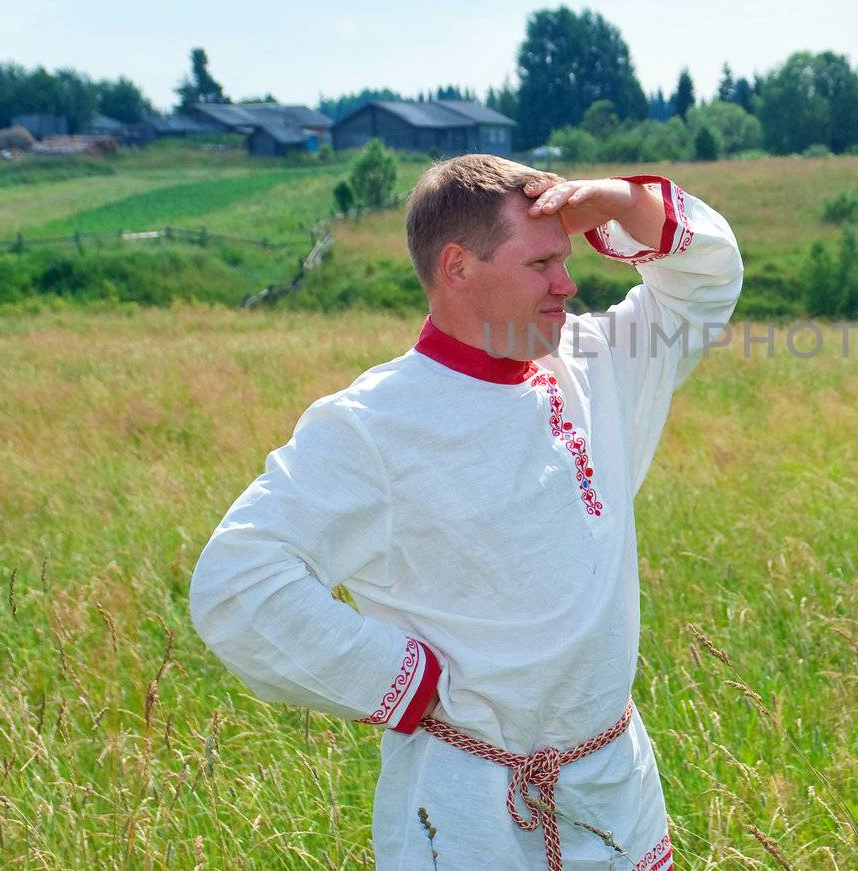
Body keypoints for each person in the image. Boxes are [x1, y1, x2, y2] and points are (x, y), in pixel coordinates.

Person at [188, 154, 742, 870]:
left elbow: (705, 284)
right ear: (458, 268)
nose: (567, 283)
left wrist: (621, 202)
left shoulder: (596, 358)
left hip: (613, 795)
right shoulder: (372, 424)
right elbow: (236, 581)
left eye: (565, 259)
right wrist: (407, 682)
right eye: (541, 262)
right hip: (465, 812)